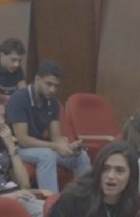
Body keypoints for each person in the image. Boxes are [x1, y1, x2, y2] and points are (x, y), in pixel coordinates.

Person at [6, 60, 89, 194]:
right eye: (48, 84)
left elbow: (56, 136)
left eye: (56, 86)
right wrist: (56, 146)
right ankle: (50, 202)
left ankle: (84, 199)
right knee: (46, 155)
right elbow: (23, 140)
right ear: (37, 79)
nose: (52, 90)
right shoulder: (19, 99)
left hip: (40, 147)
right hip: (17, 148)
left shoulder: (53, 102)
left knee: (81, 156)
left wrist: (68, 147)